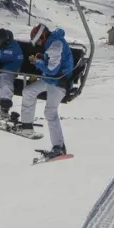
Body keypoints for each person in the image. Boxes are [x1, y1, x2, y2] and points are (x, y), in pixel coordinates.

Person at [19, 22, 73, 159]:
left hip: (60, 82)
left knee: (50, 112)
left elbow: (51, 69)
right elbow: (52, 64)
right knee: (28, 91)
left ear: (43, 35)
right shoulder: (52, 43)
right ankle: (26, 126)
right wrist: (41, 58)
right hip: (51, 80)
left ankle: (59, 147)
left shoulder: (55, 44)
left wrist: (38, 62)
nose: (39, 44)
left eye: (39, 41)